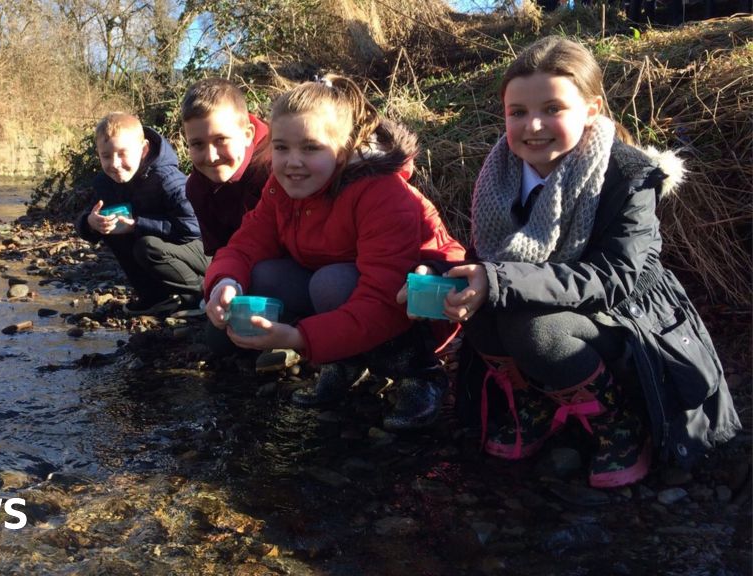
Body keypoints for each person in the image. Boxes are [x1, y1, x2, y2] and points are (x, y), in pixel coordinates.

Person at [424, 37, 740, 488]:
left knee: (533, 327)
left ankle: (618, 421)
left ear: (591, 110)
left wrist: (498, 281)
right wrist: (437, 282)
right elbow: (492, 259)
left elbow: (613, 277)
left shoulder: (630, 176)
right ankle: (535, 402)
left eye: (553, 109)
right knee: (477, 304)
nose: (533, 126)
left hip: (624, 314)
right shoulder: (500, 170)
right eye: (517, 112)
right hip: (546, 296)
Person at [204, 74, 465, 430]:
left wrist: (301, 339)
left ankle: (420, 376)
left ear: (341, 152)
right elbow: (245, 244)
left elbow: (382, 301)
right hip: (347, 288)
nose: (292, 161)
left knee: (331, 284)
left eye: (310, 148)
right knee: (262, 275)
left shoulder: (381, 192)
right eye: (281, 148)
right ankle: (344, 362)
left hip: (423, 301)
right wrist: (225, 282)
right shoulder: (280, 187)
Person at [76, 112, 209, 315]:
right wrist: (91, 222)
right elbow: (87, 218)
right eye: (106, 156)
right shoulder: (106, 181)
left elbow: (193, 228)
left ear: (143, 150)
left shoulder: (168, 179)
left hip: (203, 250)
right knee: (112, 229)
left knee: (147, 246)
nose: (115, 163)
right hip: (168, 247)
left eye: (123, 153)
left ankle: (200, 294)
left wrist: (137, 224)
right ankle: (155, 298)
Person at [181, 78, 271, 256]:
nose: (211, 157)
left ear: (247, 135)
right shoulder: (197, 187)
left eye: (221, 140)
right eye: (198, 144)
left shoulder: (276, 169)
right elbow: (220, 250)